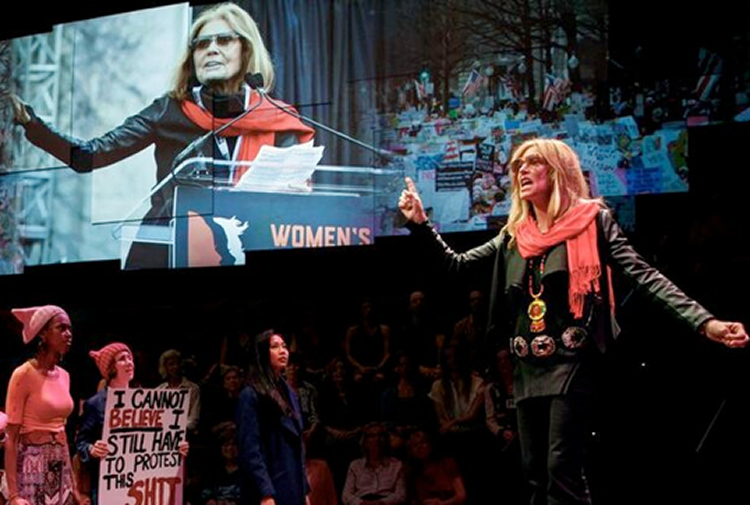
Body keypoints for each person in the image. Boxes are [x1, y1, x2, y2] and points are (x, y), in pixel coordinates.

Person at [397, 138, 749, 504]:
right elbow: (456, 265)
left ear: (558, 171)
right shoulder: (514, 235)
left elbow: (644, 276)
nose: (521, 171)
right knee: (533, 473)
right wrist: (422, 225)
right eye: (517, 165)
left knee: (559, 467)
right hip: (527, 368)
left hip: (572, 364)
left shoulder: (592, 221)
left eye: (533, 162)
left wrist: (705, 323)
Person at [11, 2, 315, 269]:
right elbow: (88, 157)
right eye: (201, 43)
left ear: (246, 50)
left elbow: (293, 198)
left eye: (224, 40)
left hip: (243, 249)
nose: (211, 49)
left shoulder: (277, 119)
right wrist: (31, 122)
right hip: (162, 250)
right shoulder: (169, 110)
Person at [75, 342, 189, 505]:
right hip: (107, 487)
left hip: (141, 487)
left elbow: (156, 441)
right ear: (110, 368)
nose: (129, 362)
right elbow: (81, 442)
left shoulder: (146, 401)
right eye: (122, 359)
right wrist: (92, 449)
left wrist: (175, 448)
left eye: (130, 358)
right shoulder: (96, 404)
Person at [3, 305, 83, 505]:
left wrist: (73, 486)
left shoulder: (65, 376)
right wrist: (13, 495)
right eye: (61, 328)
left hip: (60, 465)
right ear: (43, 333)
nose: (68, 334)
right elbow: (11, 437)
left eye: (70, 329)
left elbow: (63, 433)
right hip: (31, 467)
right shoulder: (24, 374)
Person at [237, 330, 310, 505]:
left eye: (284, 346)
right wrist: (265, 492)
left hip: (293, 483)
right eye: (275, 347)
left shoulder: (289, 392)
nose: (283, 350)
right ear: (262, 352)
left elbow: (298, 444)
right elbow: (250, 449)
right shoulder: (251, 394)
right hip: (271, 485)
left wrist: (304, 489)